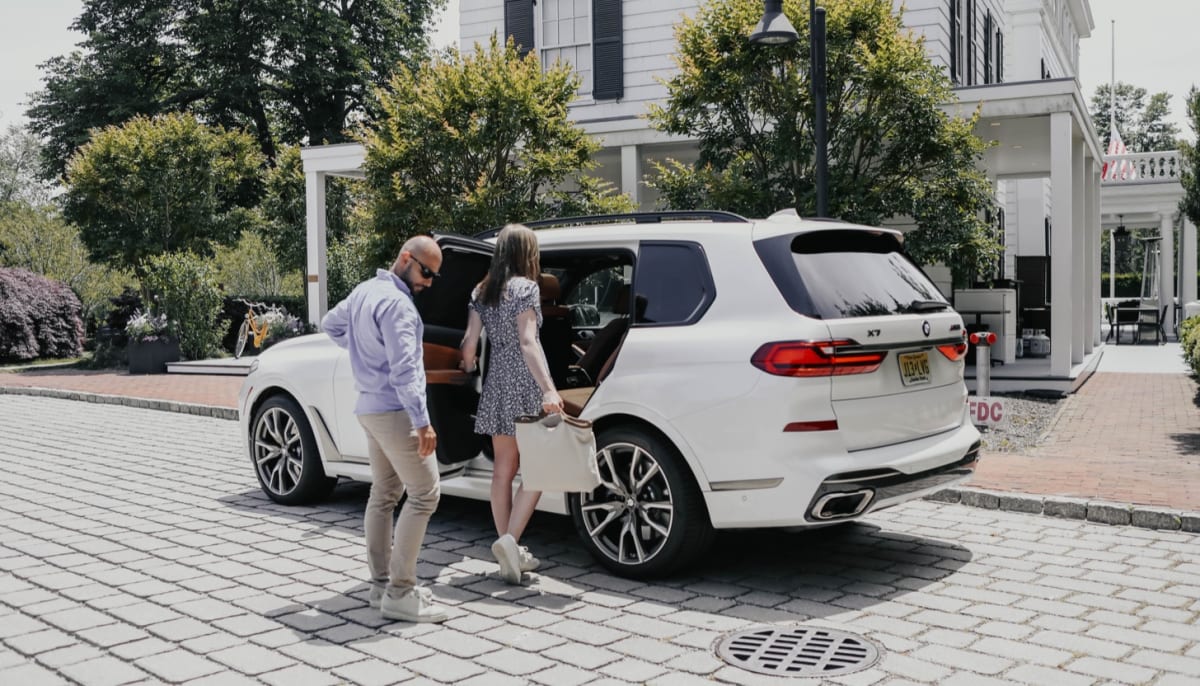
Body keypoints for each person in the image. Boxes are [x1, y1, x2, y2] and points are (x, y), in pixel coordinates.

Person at [321, 235, 447, 623]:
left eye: (434, 277)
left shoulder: (364, 291)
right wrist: (423, 422)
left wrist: (363, 355)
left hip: (370, 409)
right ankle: (401, 591)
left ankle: (380, 586)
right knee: (425, 494)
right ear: (406, 259)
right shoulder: (398, 307)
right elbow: (407, 371)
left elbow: (330, 324)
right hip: (395, 412)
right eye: (426, 272)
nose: (428, 282)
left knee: (384, 493)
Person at [459, 224, 564, 584]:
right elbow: (528, 341)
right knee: (538, 468)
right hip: (524, 380)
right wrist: (549, 389)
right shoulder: (527, 288)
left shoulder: (481, 290)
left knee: (503, 470)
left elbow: (470, 343)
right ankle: (510, 542)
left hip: (495, 382)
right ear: (527, 254)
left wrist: (466, 365)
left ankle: (509, 551)